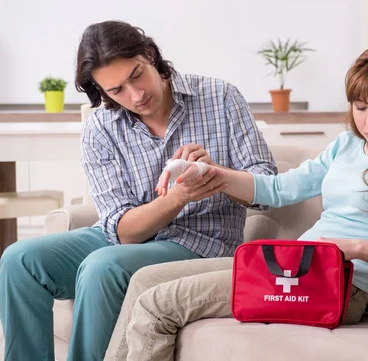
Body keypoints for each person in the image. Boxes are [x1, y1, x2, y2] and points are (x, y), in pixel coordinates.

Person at [107, 44, 368, 360]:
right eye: (360, 106)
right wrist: (212, 174)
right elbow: (279, 189)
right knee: (145, 281)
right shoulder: (347, 145)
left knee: (158, 306)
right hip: (294, 266)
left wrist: (356, 248)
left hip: (337, 288)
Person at [0, 20, 276, 361]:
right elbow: (122, 231)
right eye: (116, 90)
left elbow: (266, 190)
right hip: (128, 238)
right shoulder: (100, 127)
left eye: (136, 75)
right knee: (19, 260)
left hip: (202, 243)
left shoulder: (220, 97)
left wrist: (214, 174)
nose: (136, 94)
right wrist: (178, 197)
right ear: (101, 92)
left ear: (149, 55)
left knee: (104, 267)